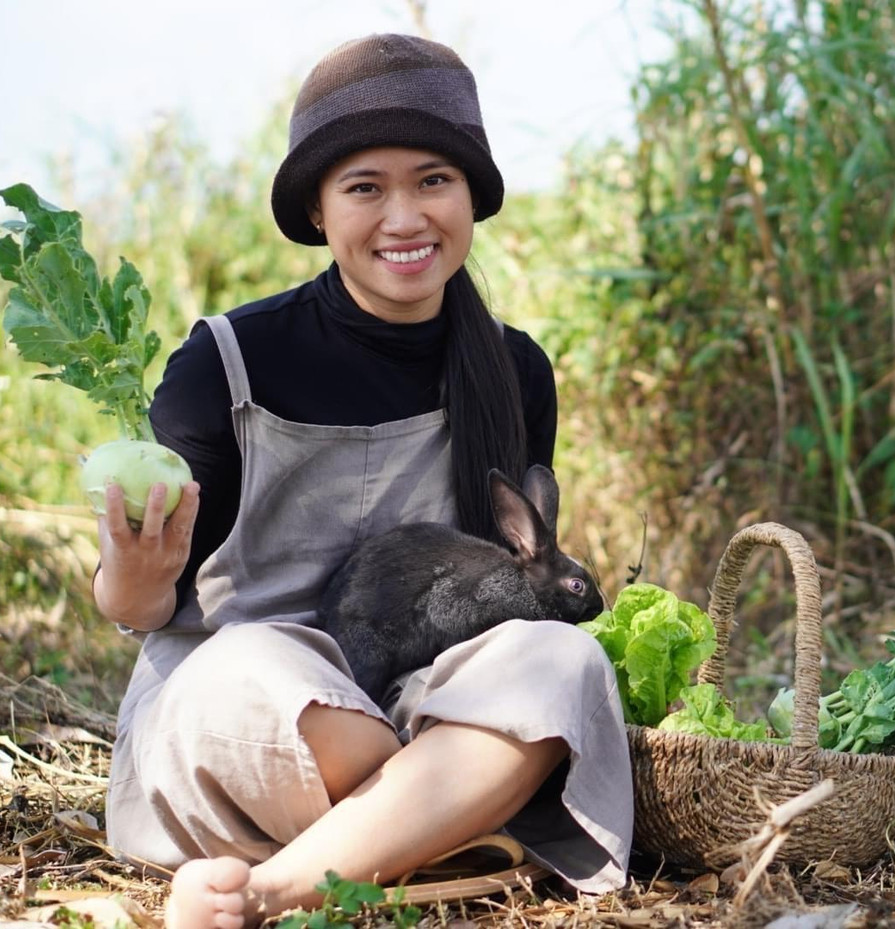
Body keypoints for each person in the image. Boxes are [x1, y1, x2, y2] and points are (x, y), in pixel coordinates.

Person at [91, 33, 633, 929]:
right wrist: (135, 582)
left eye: (433, 180)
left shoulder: (513, 370)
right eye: (364, 187)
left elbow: (515, 590)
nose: (405, 218)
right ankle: (433, 824)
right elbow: (142, 605)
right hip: (257, 714)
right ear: (317, 205)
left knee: (562, 658)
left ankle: (266, 889)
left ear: (470, 195)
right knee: (254, 665)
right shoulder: (226, 363)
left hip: (426, 701)